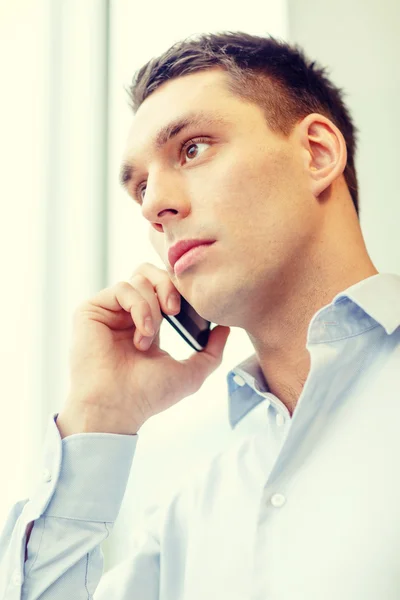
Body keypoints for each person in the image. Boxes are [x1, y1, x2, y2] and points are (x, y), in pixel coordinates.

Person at [1, 30, 399, 599]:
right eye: (139, 186)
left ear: (316, 153)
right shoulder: (188, 515)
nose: (153, 205)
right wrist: (96, 417)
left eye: (192, 148)